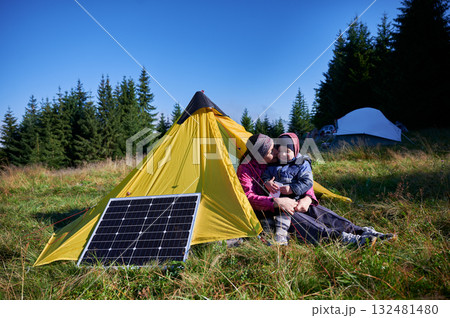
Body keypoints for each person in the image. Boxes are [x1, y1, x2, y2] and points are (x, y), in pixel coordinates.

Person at [237, 133, 394, 247]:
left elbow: (303, 179)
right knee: (299, 218)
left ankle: (362, 232)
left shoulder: (276, 159)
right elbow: (248, 198)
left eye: (275, 149)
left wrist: (308, 198)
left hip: (292, 200)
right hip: (271, 211)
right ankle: (344, 240)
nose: (277, 152)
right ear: (259, 154)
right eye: (272, 151)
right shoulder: (245, 170)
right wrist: (276, 202)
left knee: (316, 210)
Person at [261, 133, 314, 245]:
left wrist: (292, 189)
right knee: (268, 218)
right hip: (275, 198)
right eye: (280, 151)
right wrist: (267, 183)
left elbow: (308, 181)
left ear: (295, 150)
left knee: (283, 217)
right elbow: (265, 176)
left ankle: (281, 238)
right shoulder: (273, 165)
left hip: (293, 199)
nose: (283, 154)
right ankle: (268, 235)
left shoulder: (301, 163)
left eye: (287, 151)